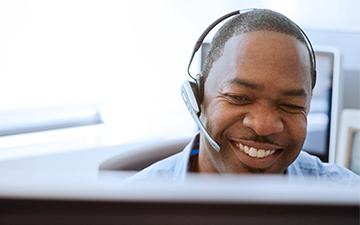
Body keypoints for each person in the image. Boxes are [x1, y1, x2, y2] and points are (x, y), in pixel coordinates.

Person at [128, 9, 359, 184]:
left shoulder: (345, 197)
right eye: (239, 97)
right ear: (197, 98)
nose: (263, 126)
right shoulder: (131, 209)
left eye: (290, 105)